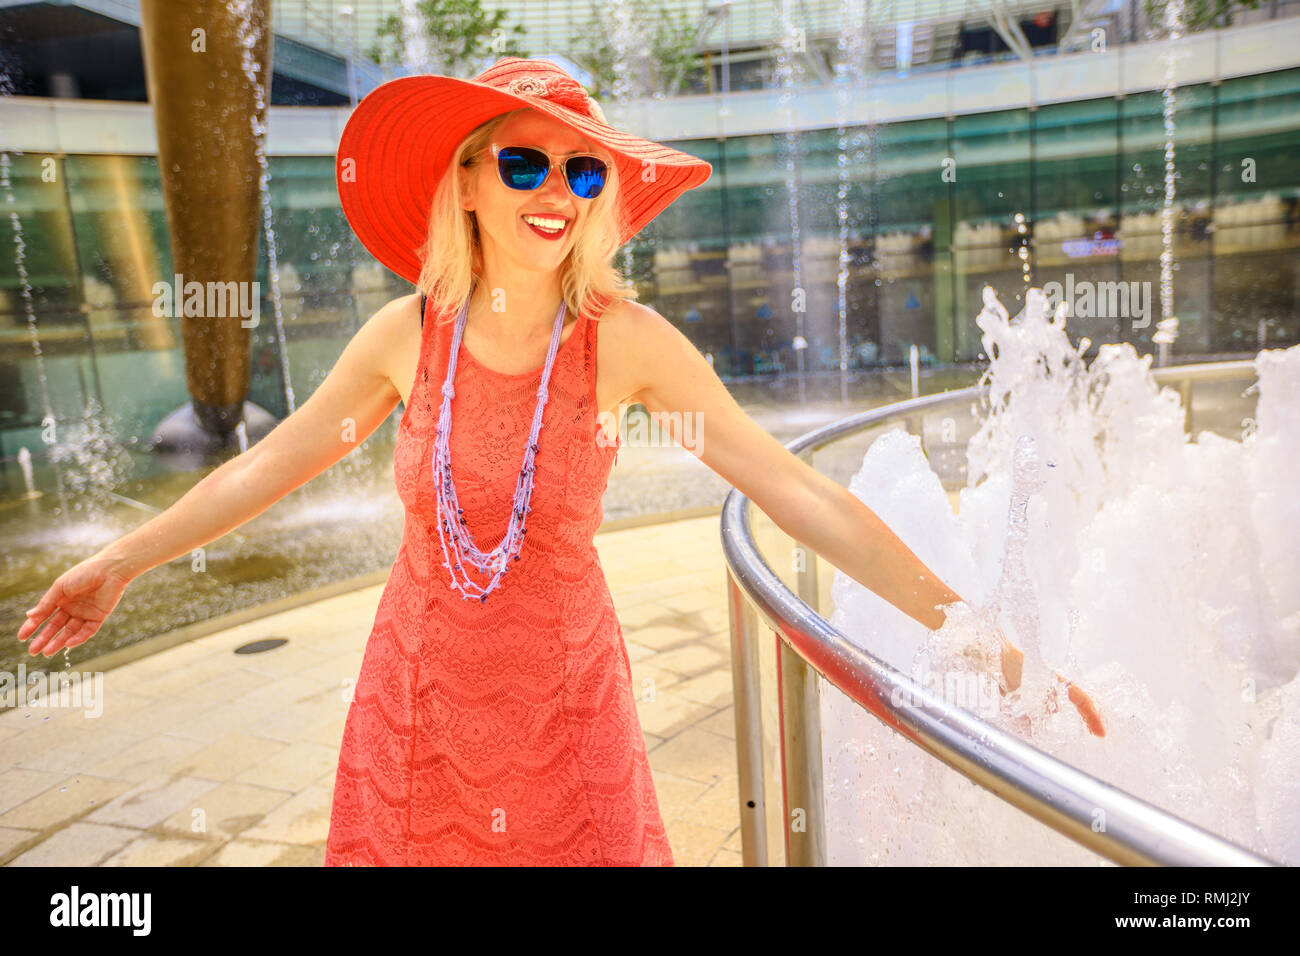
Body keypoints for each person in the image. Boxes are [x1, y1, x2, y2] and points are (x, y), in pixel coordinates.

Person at [15, 57, 1101, 867]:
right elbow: (265, 469)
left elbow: (794, 490)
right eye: (526, 160)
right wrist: (125, 557)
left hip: (565, 709)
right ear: (471, 180)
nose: (557, 188)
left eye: (583, 169)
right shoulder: (407, 335)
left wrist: (975, 631)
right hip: (419, 706)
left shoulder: (624, 342)